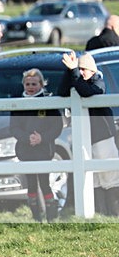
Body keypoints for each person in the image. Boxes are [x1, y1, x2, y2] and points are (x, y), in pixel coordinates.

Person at [58, 52, 119, 215]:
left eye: (84, 69)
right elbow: (62, 92)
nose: (81, 72)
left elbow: (86, 92)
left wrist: (75, 73)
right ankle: (98, 214)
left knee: (110, 177)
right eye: (79, 69)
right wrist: (69, 71)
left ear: (92, 70)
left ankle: (114, 215)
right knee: (94, 180)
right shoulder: (76, 79)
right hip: (83, 138)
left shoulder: (98, 82)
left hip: (103, 136)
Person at [9, 69, 63, 222]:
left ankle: (51, 217)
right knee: (31, 184)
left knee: (45, 183)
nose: (31, 87)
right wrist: (27, 138)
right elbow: (14, 127)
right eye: (27, 84)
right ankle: (37, 218)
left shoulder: (48, 101)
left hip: (44, 150)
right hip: (26, 150)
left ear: (41, 84)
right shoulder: (18, 102)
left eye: (34, 84)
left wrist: (42, 138)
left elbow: (56, 126)